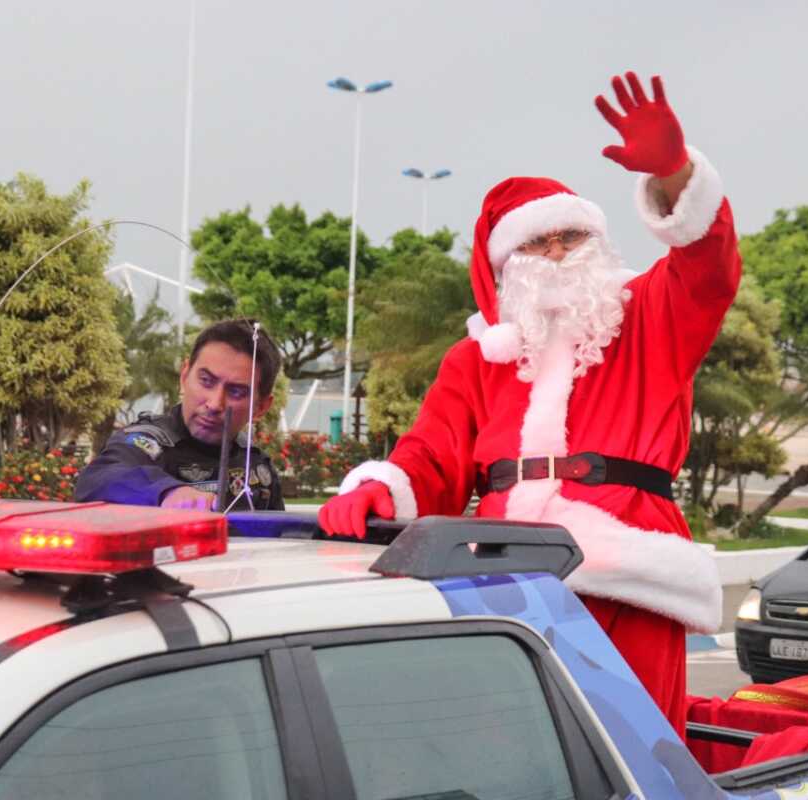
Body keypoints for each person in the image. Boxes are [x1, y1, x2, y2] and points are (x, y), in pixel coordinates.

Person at [319, 71, 739, 738]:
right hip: (506, 581)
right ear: (501, 268)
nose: (555, 256)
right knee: (518, 755)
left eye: (569, 239)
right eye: (534, 245)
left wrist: (676, 176)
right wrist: (383, 488)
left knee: (636, 751)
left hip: (629, 574)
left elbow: (709, 271)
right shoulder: (476, 359)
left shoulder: (649, 316)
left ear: (596, 244)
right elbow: (432, 454)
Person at [75, 318, 284, 511]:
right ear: (184, 375)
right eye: (206, 381)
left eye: (236, 392)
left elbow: (285, 540)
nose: (214, 403)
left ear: (262, 407)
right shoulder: (145, 443)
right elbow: (97, 478)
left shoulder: (256, 466)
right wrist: (167, 491)